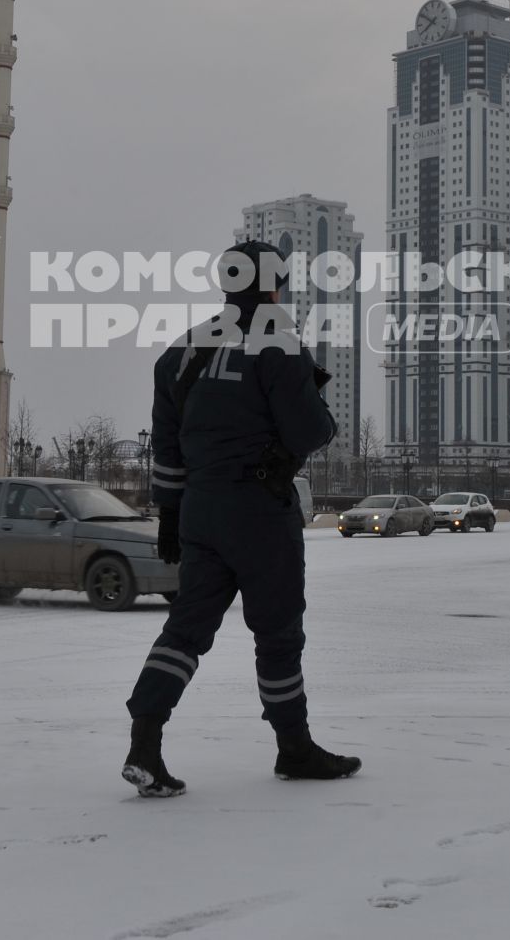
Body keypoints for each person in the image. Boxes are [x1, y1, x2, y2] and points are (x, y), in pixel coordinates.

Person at [121, 241, 361, 796]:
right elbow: (309, 433)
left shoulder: (182, 350)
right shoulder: (277, 343)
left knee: (185, 631)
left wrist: (170, 513)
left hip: (199, 512)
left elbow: (167, 443)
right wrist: (319, 409)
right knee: (277, 633)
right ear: (274, 283)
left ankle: (144, 744)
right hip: (259, 509)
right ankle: (294, 748)